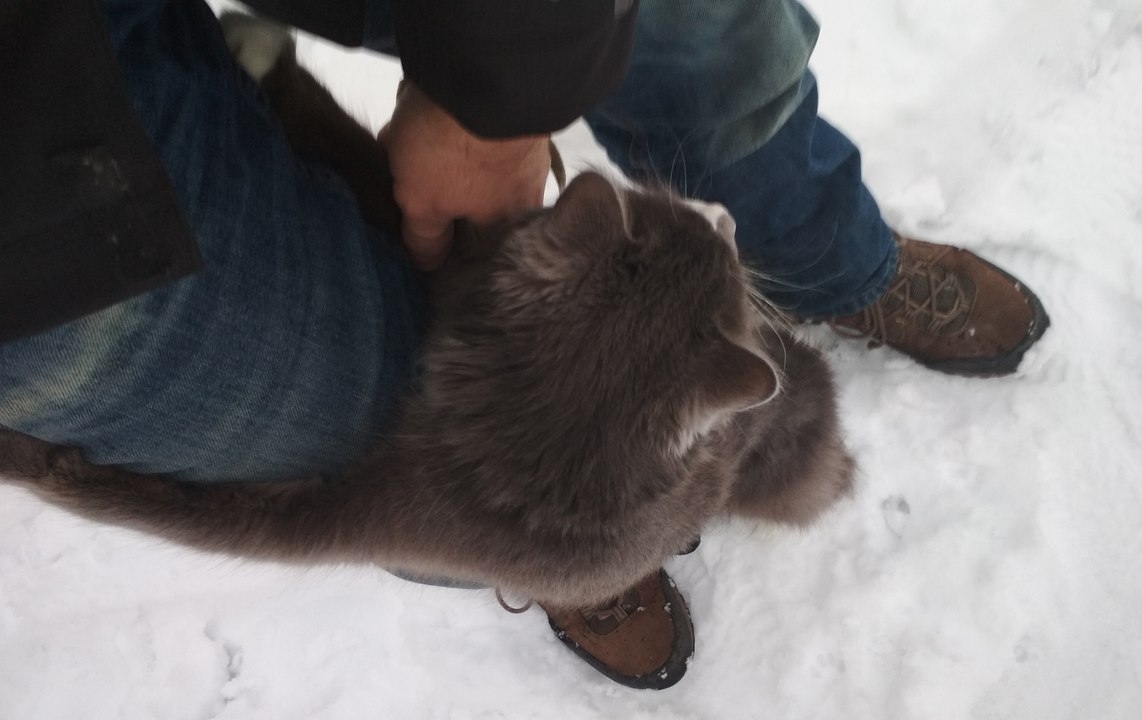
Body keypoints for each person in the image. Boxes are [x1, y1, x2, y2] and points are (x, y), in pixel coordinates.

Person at [0, 0, 1047, 691]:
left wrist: (495, 96)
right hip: (39, 213)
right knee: (389, 439)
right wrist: (57, 470)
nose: (712, 217)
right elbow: (295, 525)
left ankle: (840, 266)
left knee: (690, 25)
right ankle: (572, 556)